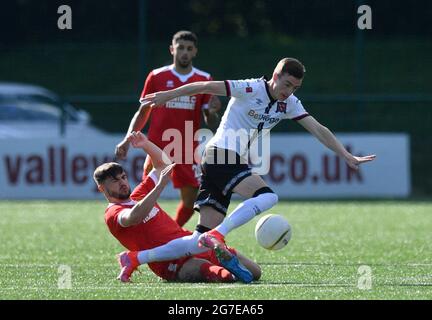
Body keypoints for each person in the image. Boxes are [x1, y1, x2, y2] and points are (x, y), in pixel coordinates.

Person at [139, 57, 377, 278]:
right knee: (268, 196)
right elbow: (204, 86)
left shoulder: (289, 104)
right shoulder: (250, 88)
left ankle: (136, 258)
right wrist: (166, 96)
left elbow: (318, 129)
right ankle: (219, 235)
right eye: (286, 84)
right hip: (220, 155)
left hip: (221, 162)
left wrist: (345, 155)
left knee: (198, 239)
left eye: (295, 87)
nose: (289, 92)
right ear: (275, 75)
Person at [96, 131, 260, 283]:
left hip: (192, 243)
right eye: (115, 181)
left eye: (123, 177)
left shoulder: (139, 194)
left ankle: (220, 253)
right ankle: (224, 264)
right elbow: (134, 216)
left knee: (255, 272)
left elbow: (164, 164)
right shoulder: (112, 213)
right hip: (167, 262)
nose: (122, 183)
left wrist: (146, 144)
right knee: (224, 276)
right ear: (102, 189)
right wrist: (159, 187)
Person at [115, 30, 221, 227]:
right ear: (172, 49)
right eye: (180, 48)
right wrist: (127, 139)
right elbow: (143, 111)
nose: (184, 53)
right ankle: (145, 235)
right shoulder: (157, 76)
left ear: (195, 52)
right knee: (144, 197)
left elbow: (210, 120)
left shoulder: (204, 79)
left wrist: (213, 111)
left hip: (187, 150)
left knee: (190, 202)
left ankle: (170, 235)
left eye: (189, 49)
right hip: (157, 147)